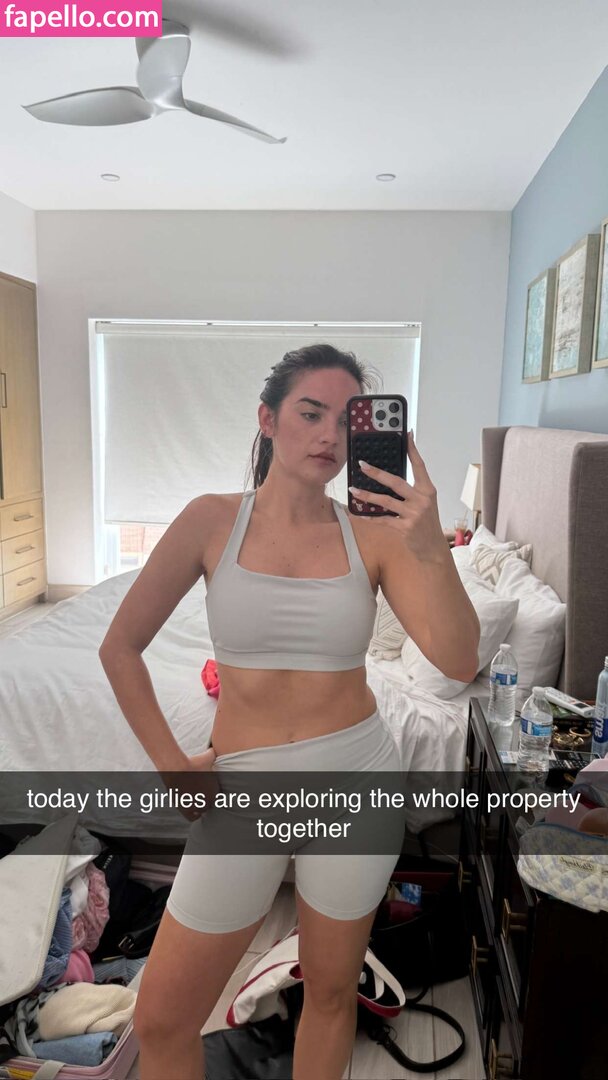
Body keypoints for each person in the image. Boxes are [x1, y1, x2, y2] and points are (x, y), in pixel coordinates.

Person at [99, 343, 480, 1080]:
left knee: (331, 997)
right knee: (162, 1020)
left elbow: (460, 660)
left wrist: (431, 545)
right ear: (267, 418)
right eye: (310, 413)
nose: (329, 435)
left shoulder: (374, 535)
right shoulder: (210, 521)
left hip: (358, 782)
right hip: (244, 793)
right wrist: (172, 764)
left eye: (345, 420)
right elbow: (121, 648)